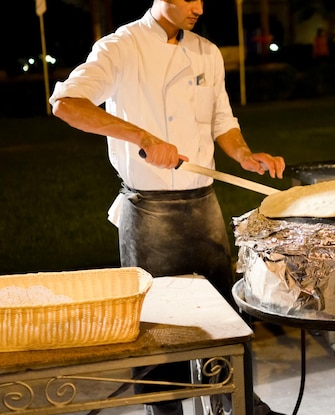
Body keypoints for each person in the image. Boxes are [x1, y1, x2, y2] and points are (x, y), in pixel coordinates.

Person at [49, 1, 285, 414]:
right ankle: (165, 409)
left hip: (202, 203)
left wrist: (244, 154)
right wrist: (142, 136)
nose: (199, 7)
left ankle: (236, 403)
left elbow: (221, 121)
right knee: (158, 328)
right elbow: (66, 103)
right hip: (149, 212)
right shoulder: (121, 45)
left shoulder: (207, 51)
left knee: (224, 318)